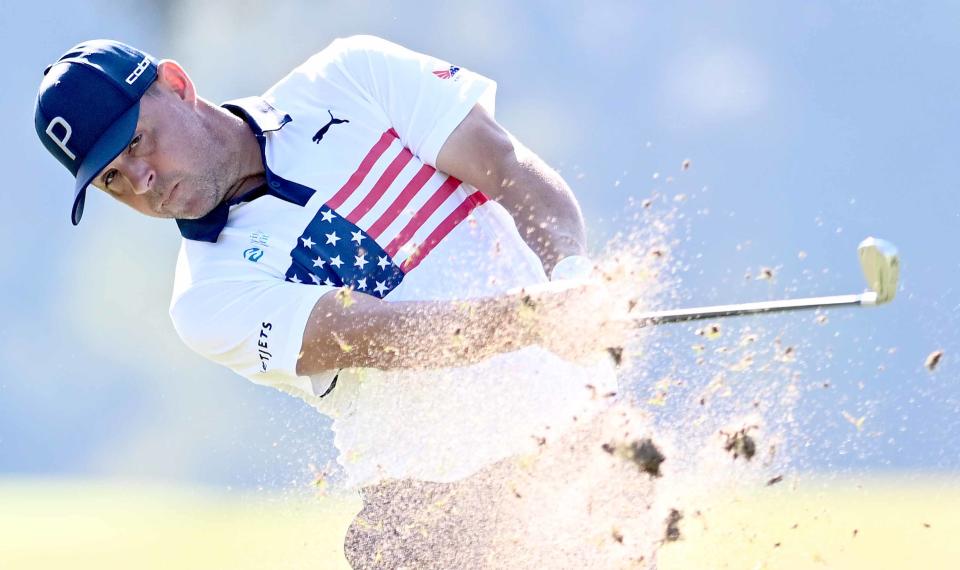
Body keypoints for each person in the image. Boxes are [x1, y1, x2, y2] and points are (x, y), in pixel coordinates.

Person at [35, 37, 663, 568]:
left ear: (176, 85)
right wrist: (536, 319)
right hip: (432, 520)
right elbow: (378, 335)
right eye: (112, 178)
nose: (141, 182)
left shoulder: (349, 75)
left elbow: (507, 168)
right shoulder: (205, 298)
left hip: (583, 451)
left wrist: (574, 279)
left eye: (139, 141)